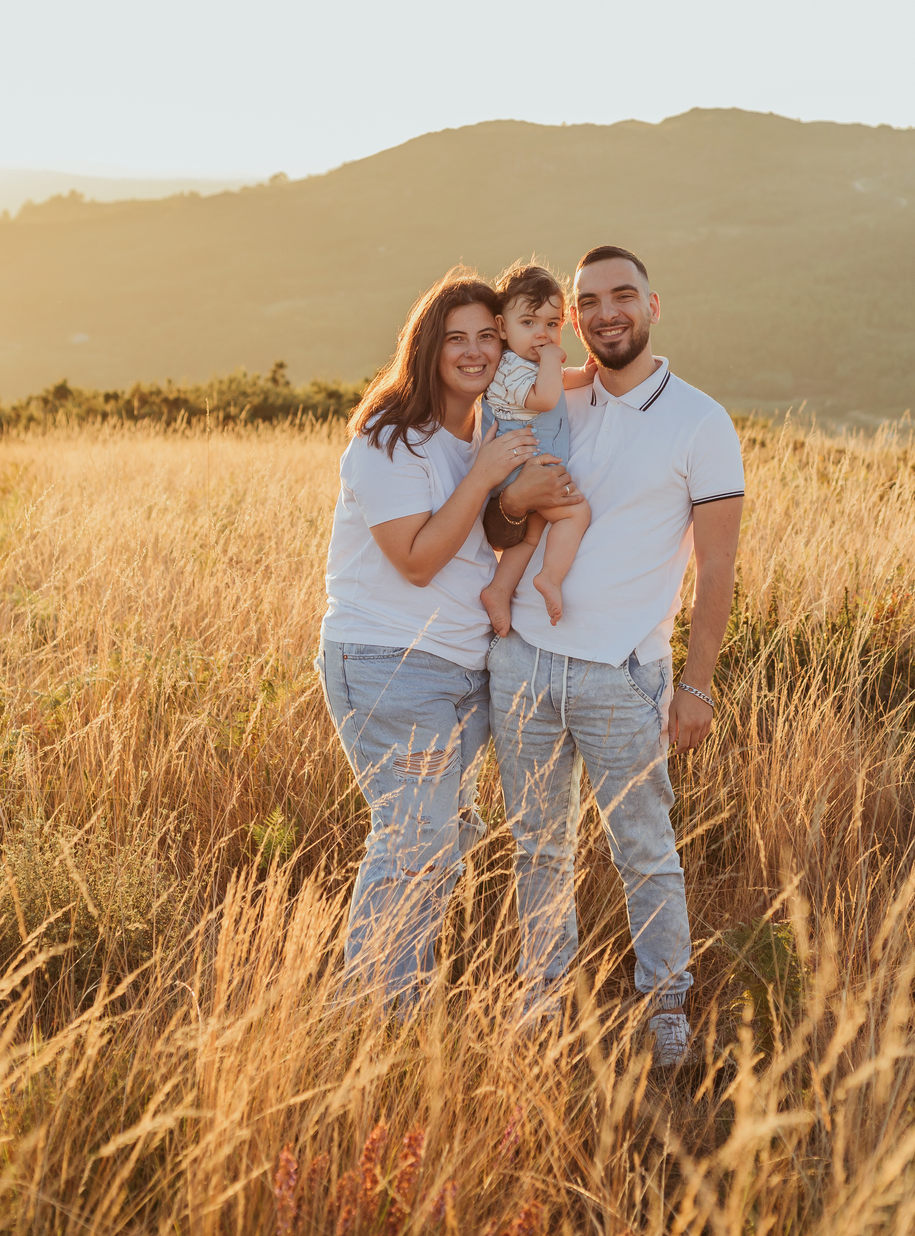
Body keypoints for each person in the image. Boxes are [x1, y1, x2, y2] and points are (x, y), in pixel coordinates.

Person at [485, 245, 744, 1068]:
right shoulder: (558, 396)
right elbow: (501, 519)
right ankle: (542, 997)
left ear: (652, 305)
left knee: (643, 847)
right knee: (538, 846)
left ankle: (667, 1008)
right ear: (574, 317)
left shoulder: (701, 421)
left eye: (622, 296)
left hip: (622, 676)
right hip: (524, 659)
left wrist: (696, 685)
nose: (606, 313)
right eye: (588, 301)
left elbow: (718, 569)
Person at [318, 266, 583, 1009]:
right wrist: (485, 477)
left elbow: (487, 532)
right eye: (456, 339)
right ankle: (376, 1012)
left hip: (463, 671)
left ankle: (400, 995)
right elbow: (416, 560)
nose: (473, 352)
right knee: (414, 844)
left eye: (488, 339)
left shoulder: (481, 432)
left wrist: (514, 493)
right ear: (428, 348)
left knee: (438, 842)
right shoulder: (389, 440)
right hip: (390, 663)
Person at [479, 262, 595, 635]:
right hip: (521, 468)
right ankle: (550, 577)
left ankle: (499, 589)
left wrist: (588, 375)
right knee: (576, 513)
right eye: (528, 323)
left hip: (528, 466)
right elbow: (547, 397)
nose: (542, 335)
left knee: (534, 530)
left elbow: (561, 380)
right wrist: (550, 358)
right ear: (502, 327)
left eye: (552, 324)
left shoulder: (529, 364)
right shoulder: (510, 368)